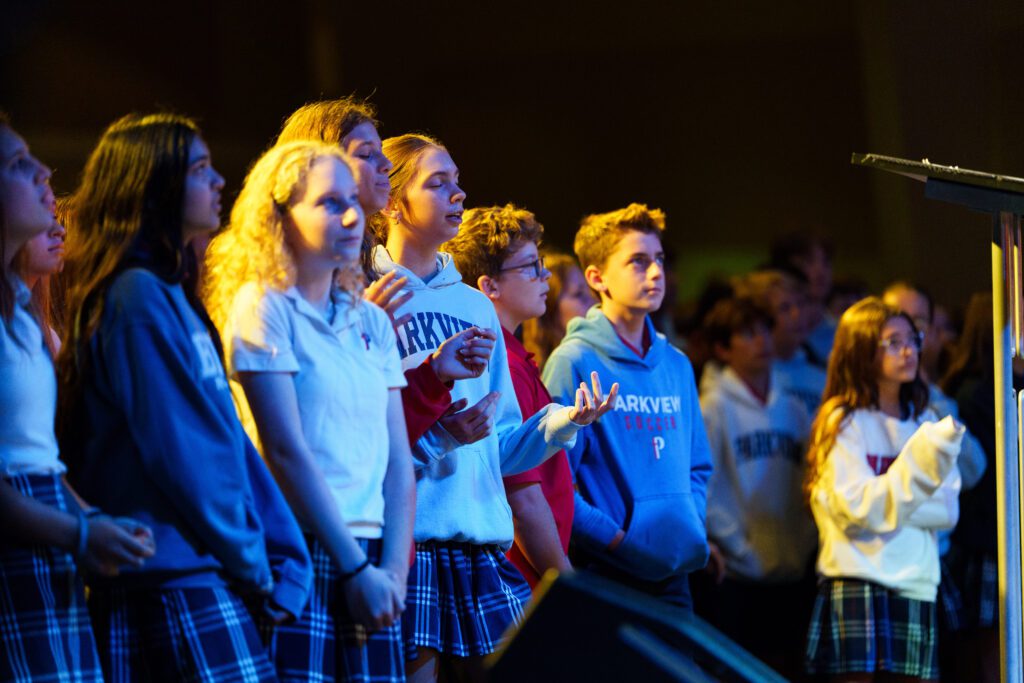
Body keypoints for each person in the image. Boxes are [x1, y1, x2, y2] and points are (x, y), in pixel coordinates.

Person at [57, 112, 312, 682]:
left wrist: (278, 552)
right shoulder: (135, 296)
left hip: (204, 568)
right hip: (169, 580)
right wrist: (254, 560)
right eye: (199, 169)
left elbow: (225, 437)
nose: (218, 181)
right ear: (152, 188)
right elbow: (181, 449)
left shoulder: (169, 293)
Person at [372, 133, 609, 681]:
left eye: (457, 182)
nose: (458, 194)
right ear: (392, 203)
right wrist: (442, 434)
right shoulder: (371, 294)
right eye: (437, 183)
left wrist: (562, 421)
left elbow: (500, 448)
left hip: (480, 538)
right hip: (411, 540)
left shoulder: (475, 305)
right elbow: (369, 440)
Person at [203, 140, 415, 682]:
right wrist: (354, 568)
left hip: (374, 554)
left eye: (353, 200)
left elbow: (399, 460)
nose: (351, 216)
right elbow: (284, 450)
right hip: (300, 543)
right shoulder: (264, 306)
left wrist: (392, 572)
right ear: (280, 217)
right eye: (328, 203)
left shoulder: (369, 320)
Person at [0, 113, 154, 683]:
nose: (44, 171)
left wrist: (92, 518)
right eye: (19, 164)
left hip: (49, 526)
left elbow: (38, 457)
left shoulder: (19, 313)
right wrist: (81, 530)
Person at [276, 98, 498, 450]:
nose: (386, 165)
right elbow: (304, 433)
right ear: (312, 166)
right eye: (366, 154)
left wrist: (435, 372)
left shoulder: (352, 277)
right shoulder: (282, 292)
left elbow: (379, 424)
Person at [543, 203, 713, 611]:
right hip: (607, 572)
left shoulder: (676, 363)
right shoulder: (573, 360)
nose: (656, 273)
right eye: (638, 261)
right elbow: (556, 481)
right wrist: (617, 541)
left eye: (659, 259)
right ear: (597, 277)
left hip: (675, 572)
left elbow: (698, 466)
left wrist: (687, 522)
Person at [445, 204, 618, 591]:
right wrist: (564, 580)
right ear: (489, 287)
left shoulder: (515, 357)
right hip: (525, 578)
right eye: (531, 266)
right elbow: (522, 497)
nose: (545, 275)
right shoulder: (500, 363)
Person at [804, 297, 962, 682]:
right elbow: (858, 507)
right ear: (861, 349)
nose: (908, 351)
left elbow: (947, 509)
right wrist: (909, 494)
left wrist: (885, 500)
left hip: (915, 580)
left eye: (912, 339)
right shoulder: (844, 421)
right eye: (893, 342)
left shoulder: (925, 421)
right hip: (857, 575)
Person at [697, 296, 814, 678]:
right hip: (740, 574)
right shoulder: (713, 407)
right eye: (747, 334)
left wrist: (804, 543)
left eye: (764, 329)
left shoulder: (793, 408)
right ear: (723, 348)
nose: (761, 340)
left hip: (792, 569)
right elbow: (703, 486)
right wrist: (739, 546)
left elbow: (809, 479)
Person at [940, 292, 1004, 683]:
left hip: (1004, 538)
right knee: (989, 654)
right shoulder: (975, 394)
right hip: (988, 542)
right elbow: (979, 475)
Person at [520, 250, 596, 372]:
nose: (594, 300)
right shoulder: (561, 365)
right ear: (549, 310)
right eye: (579, 294)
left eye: (591, 290)